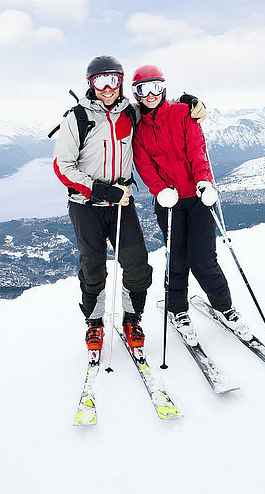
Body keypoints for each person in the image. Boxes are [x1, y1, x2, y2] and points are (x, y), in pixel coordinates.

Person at [132, 64, 251, 345]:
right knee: (177, 259)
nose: (150, 94)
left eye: (155, 87)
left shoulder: (183, 113)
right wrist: (160, 190)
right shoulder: (139, 128)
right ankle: (178, 311)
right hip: (169, 202)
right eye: (143, 89)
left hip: (197, 198)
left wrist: (204, 182)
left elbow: (197, 150)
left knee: (204, 260)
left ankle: (226, 308)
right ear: (137, 94)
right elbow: (144, 164)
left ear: (163, 87)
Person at [53, 55, 153, 357]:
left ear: (121, 82)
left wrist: (189, 102)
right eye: (100, 81)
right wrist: (102, 190)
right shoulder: (77, 117)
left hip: (122, 204)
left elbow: (157, 104)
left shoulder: (130, 113)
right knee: (93, 266)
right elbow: (62, 167)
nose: (107, 87)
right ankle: (94, 322)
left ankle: (131, 319)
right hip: (86, 205)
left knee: (136, 264)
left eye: (113, 80)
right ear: (90, 84)